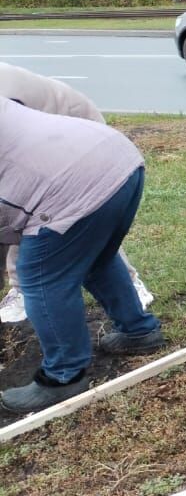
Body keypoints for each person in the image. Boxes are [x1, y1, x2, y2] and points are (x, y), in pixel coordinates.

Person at [0, 99, 165, 413]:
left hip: (68, 184)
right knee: (95, 257)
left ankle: (64, 376)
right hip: (118, 158)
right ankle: (139, 332)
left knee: (40, 278)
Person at [0, 63, 154, 324]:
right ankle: (136, 327)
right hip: (47, 142)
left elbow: (17, 203)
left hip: (74, 132)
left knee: (61, 237)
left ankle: (130, 284)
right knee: (67, 237)